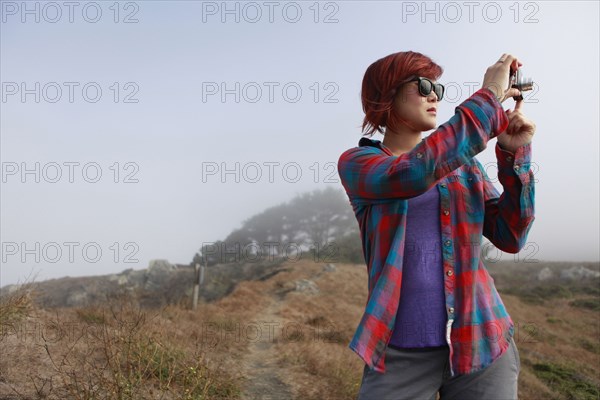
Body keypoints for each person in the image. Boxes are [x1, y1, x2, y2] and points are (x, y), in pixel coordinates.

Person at [337, 51, 536, 399]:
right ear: (386, 93)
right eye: (424, 85)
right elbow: (413, 173)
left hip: (483, 339)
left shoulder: (465, 167)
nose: (434, 96)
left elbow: (511, 235)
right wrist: (489, 95)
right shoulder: (359, 164)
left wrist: (513, 156)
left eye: (438, 89)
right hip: (399, 351)